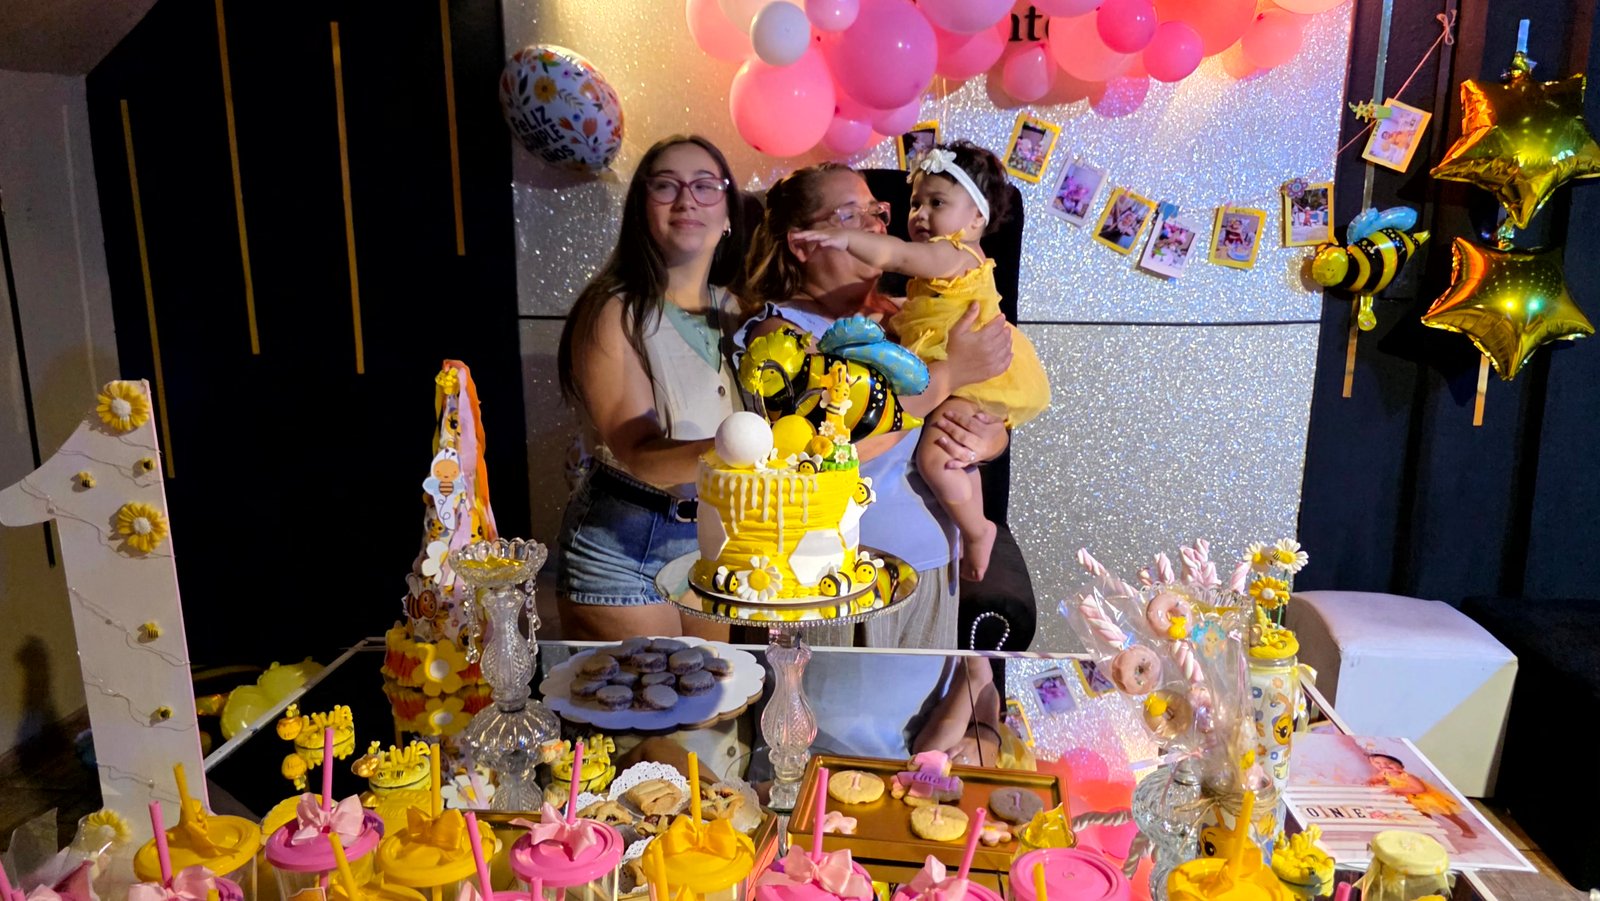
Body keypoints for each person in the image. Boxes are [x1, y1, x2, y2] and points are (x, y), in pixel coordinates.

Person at [740, 162, 1013, 648]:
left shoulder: (910, 317)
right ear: (803, 244)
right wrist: (951, 373)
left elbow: (979, 401)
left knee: (925, 697)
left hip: (936, 566)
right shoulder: (779, 337)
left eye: (877, 212)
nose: (876, 227)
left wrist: (989, 439)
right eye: (851, 215)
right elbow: (826, 450)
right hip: (840, 578)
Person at [791, 142, 1051, 581]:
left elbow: (896, 254)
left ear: (976, 219)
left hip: (975, 384)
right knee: (945, 457)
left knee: (939, 458)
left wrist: (990, 438)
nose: (920, 215)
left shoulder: (952, 255)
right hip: (851, 557)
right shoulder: (790, 332)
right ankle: (976, 528)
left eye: (937, 203)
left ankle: (978, 530)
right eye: (915, 203)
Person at [554, 135, 746, 642]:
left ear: (729, 212)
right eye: (665, 186)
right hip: (626, 547)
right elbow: (640, 455)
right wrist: (755, 449)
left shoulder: (739, 311)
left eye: (705, 185)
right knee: (651, 696)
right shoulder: (613, 310)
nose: (687, 200)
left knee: (717, 692)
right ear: (641, 210)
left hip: (713, 540)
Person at [1367, 752, 1477, 839]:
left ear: (1401, 766)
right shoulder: (1385, 773)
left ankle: (1468, 830)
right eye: (1378, 763)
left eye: (1389, 764)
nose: (1384, 766)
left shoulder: (1406, 776)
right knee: (1423, 816)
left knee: (1449, 815)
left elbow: (1420, 789)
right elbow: (1376, 779)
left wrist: (1397, 789)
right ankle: (1430, 831)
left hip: (1427, 798)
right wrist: (1371, 782)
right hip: (1413, 799)